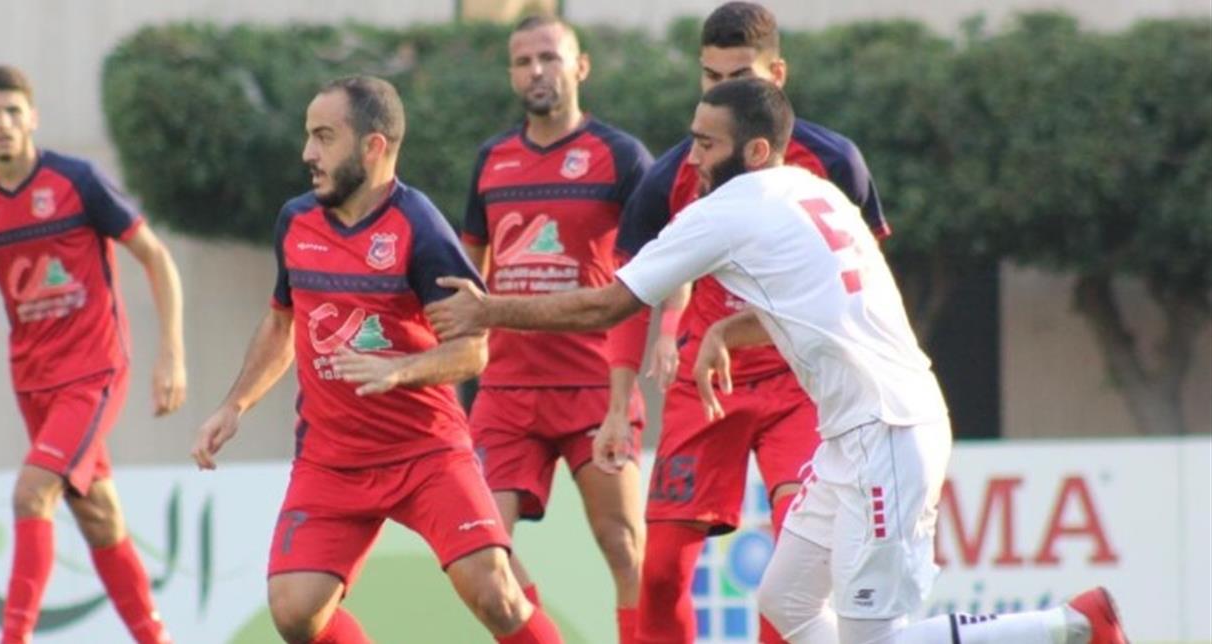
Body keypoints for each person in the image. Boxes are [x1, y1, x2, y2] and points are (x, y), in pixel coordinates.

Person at [426, 78, 1127, 644]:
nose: (691, 159)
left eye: (706, 144)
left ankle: (1072, 626)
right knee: (785, 602)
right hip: (856, 436)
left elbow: (609, 305)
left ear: (756, 150)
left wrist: (489, 310)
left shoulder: (728, 208)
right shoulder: (813, 191)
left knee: (876, 639)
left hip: (888, 434)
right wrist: (725, 332)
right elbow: (817, 303)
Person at [189, 75, 562, 644]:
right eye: (309, 136)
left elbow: (473, 349)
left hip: (426, 453)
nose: (307, 153)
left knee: (496, 594)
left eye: (324, 137)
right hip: (331, 460)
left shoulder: (420, 228)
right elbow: (282, 322)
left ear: (373, 147)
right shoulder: (296, 221)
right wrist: (234, 404)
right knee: (295, 613)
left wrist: (399, 371)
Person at [598, 3, 889, 642]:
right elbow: (628, 292)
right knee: (661, 573)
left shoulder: (834, 162)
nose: (723, 93)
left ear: (776, 76)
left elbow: (863, 285)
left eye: (740, 77)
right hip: (705, 386)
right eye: (711, 77)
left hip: (801, 385)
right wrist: (618, 404)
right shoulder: (675, 175)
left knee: (794, 562)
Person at [0, 65, 183, 644]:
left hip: (94, 371)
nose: (3, 123)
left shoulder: (77, 181)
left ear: (33, 118)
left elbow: (156, 257)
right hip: (32, 383)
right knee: (98, 517)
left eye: (13, 111)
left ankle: (13, 637)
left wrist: (171, 354)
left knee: (32, 492)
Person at [459, 15, 654, 642]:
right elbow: (467, 273)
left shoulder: (621, 156)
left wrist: (665, 343)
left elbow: (660, 263)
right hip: (506, 390)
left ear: (580, 66)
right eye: (523, 61)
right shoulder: (492, 160)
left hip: (594, 384)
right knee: (483, 552)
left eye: (549, 57)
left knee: (623, 544)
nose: (536, 71)